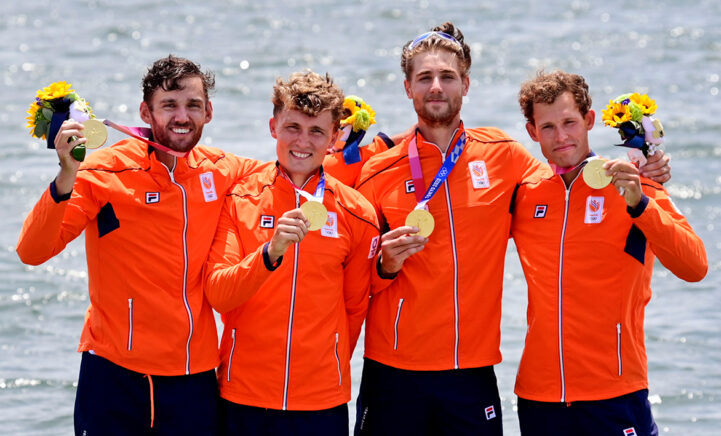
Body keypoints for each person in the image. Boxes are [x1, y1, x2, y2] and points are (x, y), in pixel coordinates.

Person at [353, 23, 672, 436]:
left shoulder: (503, 155)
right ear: (407, 88)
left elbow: (564, 181)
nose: (436, 87)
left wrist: (645, 170)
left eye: (447, 76)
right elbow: (349, 276)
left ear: (466, 84)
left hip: (471, 373)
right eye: (425, 78)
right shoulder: (378, 169)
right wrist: (384, 266)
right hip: (393, 370)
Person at [16, 55, 265, 436]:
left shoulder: (224, 170)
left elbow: (289, 172)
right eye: (169, 105)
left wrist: (343, 147)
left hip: (192, 376)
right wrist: (66, 175)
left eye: (193, 105)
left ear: (209, 112)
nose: (182, 116)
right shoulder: (102, 172)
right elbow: (32, 252)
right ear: (145, 113)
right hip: (113, 374)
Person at [510, 70, 707, 436]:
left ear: (589, 120)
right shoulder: (525, 194)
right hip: (539, 397)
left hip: (615, 392)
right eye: (548, 127)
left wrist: (640, 204)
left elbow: (695, 266)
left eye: (569, 122)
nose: (561, 136)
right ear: (532, 132)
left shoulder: (633, 184)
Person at [204, 70, 381, 436]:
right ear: (273, 127)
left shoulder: (357, 212)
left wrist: (323, 368)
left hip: (321, 402)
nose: (303, 141)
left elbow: (353, 310)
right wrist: (269, 253)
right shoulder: (240, 199)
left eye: (316, 131)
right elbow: (219, 294)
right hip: (243, 395)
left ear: (334, 137)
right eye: (292, 127)